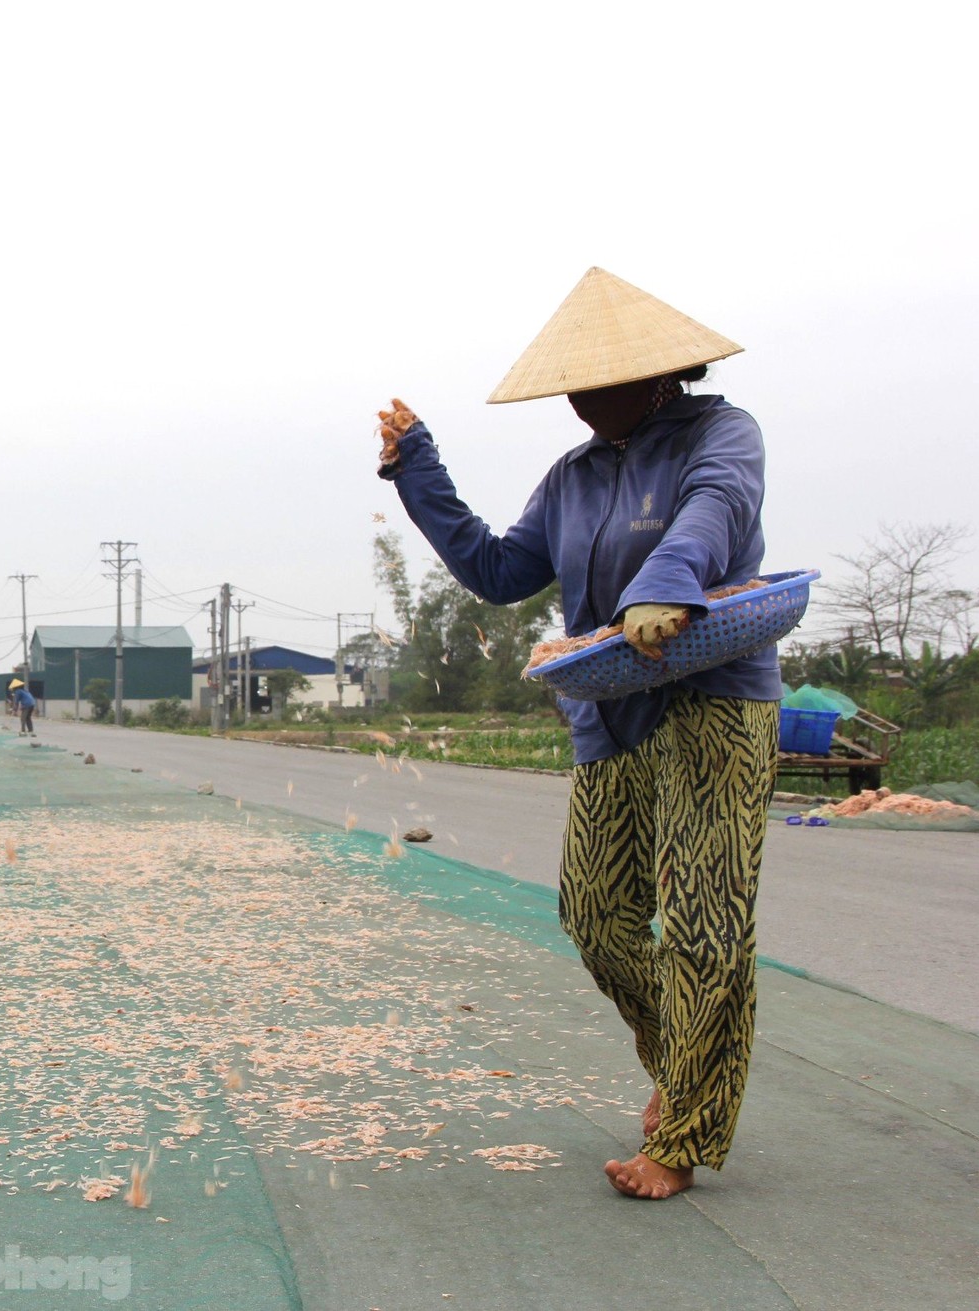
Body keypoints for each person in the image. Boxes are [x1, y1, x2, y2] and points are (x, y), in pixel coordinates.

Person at [375, 268, 779, 1201]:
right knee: (596, 914)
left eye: (598, 383)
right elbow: (498, 570)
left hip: (713, 699)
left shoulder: (721, 434)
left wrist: (665, 584)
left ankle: (683, 1133)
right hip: (610, 710)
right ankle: (679, 1058)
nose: (580, 401)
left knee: (704, 923)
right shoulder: (573, 476)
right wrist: (418, 469)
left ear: (658, 375)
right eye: (572, 388)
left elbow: (715, 508)